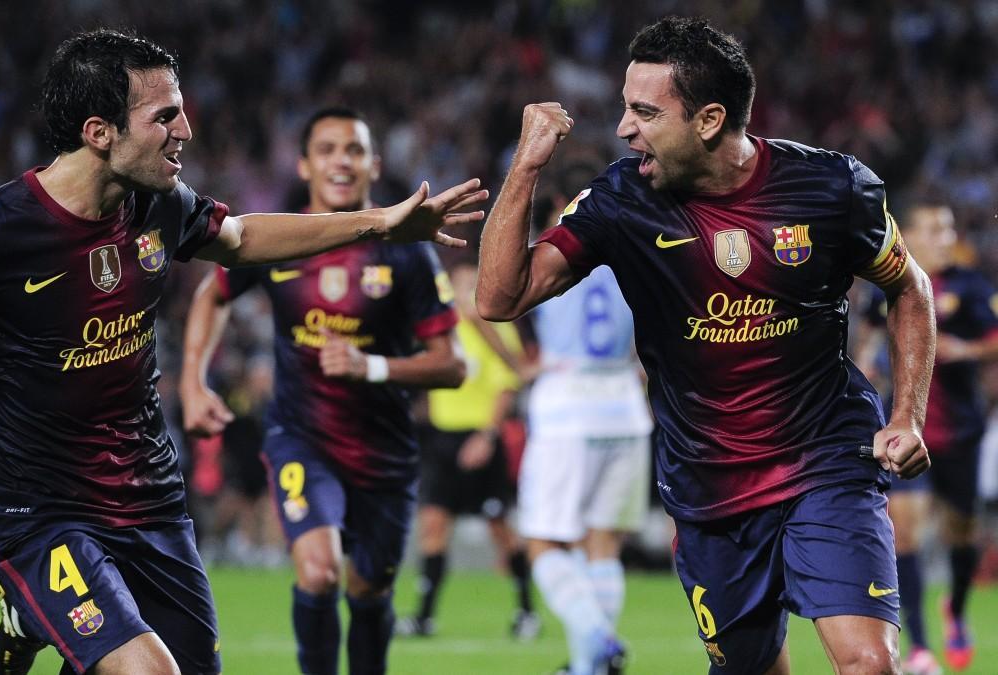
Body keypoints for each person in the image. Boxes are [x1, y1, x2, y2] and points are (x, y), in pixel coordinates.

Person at [0, 31, 485, 675]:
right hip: (42, 513)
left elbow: (240, 238)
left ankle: (28, 618)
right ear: (100, 132)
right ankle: (33, 599)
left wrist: (379, 223)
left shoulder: (158, 205)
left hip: (149, 498)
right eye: (164, 116)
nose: (186, 129)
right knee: (150, 672)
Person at [476, 16, 935, 675]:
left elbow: (910, 287)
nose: (624, 129)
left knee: (870, 662)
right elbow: (499, 298)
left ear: (709, 119)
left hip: (825, 461)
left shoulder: (832, 188)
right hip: (708, 489)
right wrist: (524, 166)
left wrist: (906, 415)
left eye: (643, 112)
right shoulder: (620, 201)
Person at [180, 107, 467, 675]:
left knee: (368, 592)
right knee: (318, 572)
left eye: (355, 150)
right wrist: (192, 380)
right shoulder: (277, 240)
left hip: (384, 451)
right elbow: (211, 295)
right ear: (305, 164)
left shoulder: (407, 249)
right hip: (301, 438)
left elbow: (452, 366)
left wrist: (373, 368)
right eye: (329, 149)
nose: (342, 160)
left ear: (373, 166)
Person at [513, 182, 654, 675]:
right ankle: (586, 666)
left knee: (543, 545)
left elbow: (486, 299)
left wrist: (519, 361)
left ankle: (599, 639)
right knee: (603, 545)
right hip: (624, 408)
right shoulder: (631, 254)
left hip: (565, 409)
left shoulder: (552, 255)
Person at [855, 204, 998, 675]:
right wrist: (867, 364)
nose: (946, 236)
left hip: (958, 431)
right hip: (905, 426)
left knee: (962, 535)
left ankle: (954, 609)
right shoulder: (889, 283)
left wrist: (968, 349)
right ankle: (918, 646)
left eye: (950, 228)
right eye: (935, 228)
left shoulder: (970, 287)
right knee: (906, 532)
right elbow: (875, 336)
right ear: (909, 233)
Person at [395, 260, 540, 641]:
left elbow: (508, 382)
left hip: (481, 436)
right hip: (442, 440)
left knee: (500, 528)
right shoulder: (441, 329)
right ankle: (424, 617)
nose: (459, 294)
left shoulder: (494, 326)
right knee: (433, 525)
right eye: (454, 285)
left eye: (466, 285)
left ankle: (526, 612)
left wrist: (488, 436)